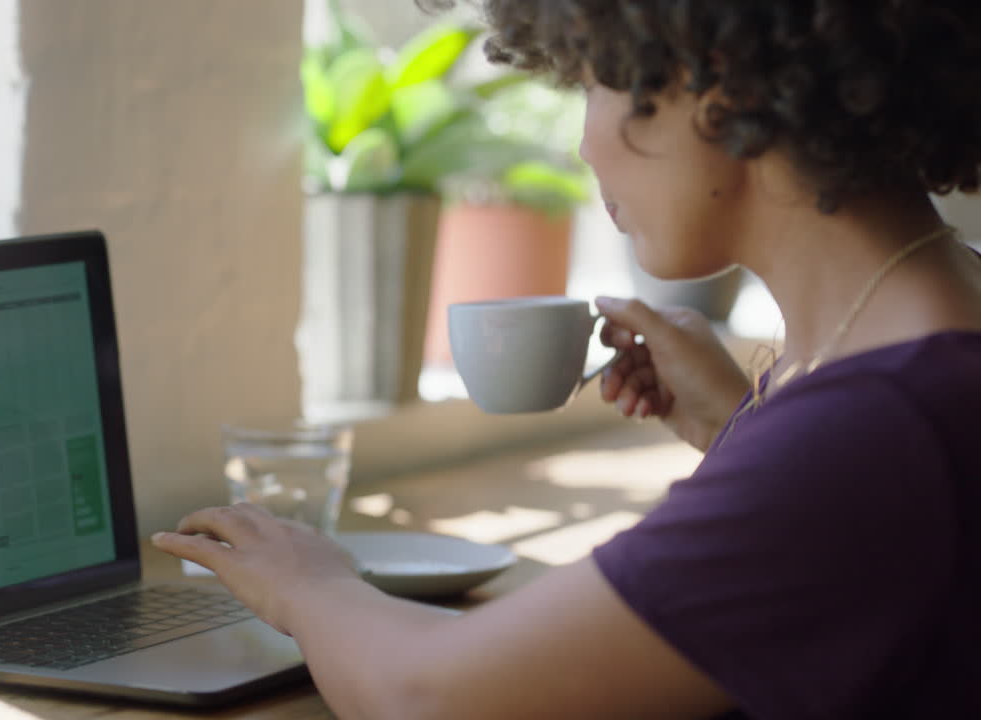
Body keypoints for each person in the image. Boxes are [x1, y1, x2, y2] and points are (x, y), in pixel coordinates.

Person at [153, 1, 981, 717]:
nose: (586, 145)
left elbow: (426, 696)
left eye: (593, 81)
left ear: (718, 82)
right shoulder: (931, 334)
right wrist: (743, 431)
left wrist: (311, 583)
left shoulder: (870, 435)